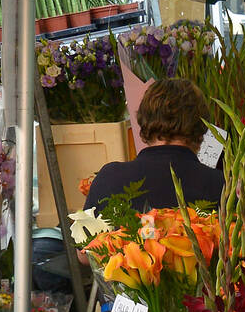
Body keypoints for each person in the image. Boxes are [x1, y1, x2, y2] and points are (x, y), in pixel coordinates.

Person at [85, 77, 223, 216]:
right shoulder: (221, 186)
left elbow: (86, 235)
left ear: (143, 120)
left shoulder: (109, 179)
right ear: (202, 127)